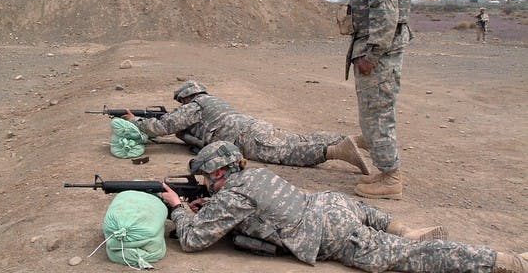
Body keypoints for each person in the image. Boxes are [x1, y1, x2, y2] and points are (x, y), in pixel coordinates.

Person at [159, 141, 528, 273]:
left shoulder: (231, 195)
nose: (204, 181)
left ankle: (507, 261)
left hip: (331, 234)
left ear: (220, 172)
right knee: (377, 223)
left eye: (207, 176)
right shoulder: (252, 177)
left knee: (416, 257)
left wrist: (178, 209)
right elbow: (250, 211)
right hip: (329, 204)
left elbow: (193, 239)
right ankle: (402, 228)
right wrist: (206, 206)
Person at [123, 80, 369, 174]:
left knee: (288, 153)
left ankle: (338, 151)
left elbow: (164, 125)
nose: (180, 105)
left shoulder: (195, 105)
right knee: (298, 139)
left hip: (246, 138)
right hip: (255, 125)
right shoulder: (212, 100)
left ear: (187, 97)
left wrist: (136, 122)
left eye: (181, 101)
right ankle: (349, 139)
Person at [340, 0, 413, 200]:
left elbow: (386, 15)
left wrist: (371, 54)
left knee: (377, 115)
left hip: (378, 56)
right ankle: (384, 172)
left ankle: (390, 178)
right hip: (377, 53)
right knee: (374, 113)